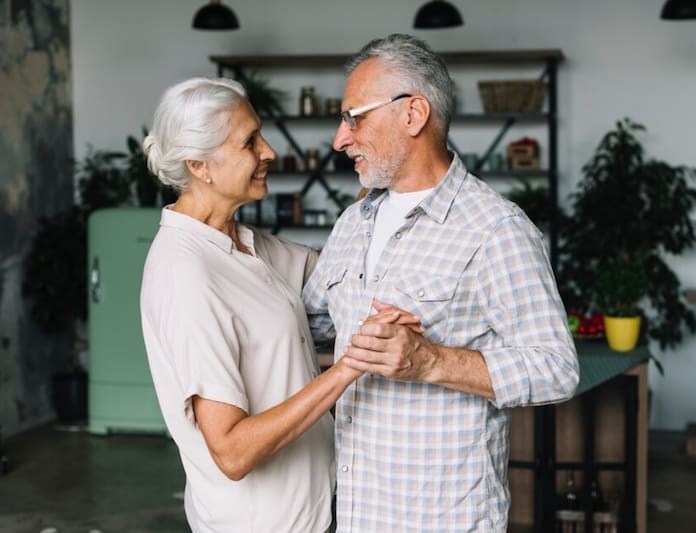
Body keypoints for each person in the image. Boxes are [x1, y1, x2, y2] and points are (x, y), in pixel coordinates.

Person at [303, 34, 580, 532]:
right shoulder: (352, 221)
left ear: (413, 115)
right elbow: (318, 322)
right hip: (355, 513)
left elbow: (555, 368)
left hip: (441, 518)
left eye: (353, 116)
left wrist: (429, 359)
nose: (339, 139)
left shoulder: (495, 229)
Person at [138, 77, 420, 533]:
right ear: (199, 165)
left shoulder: (246, 245)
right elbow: (232, 451)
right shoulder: (186, 272)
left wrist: (376, 180)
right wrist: (348, 368)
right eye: (250, 142)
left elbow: (339, 266)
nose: (268, 152)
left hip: (317, 510)